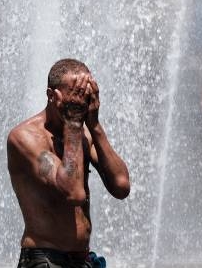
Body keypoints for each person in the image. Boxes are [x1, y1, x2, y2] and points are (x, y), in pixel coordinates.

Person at [7, 58, 130, 268]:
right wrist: (73, 122)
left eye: (86, 96)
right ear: (52, 96)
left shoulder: (83, 135)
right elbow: (74, 193)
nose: (81, 104)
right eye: (76, 96)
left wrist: (95, 125)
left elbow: (121, 186)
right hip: (45, 259)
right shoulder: (26, 138)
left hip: (82, 260)